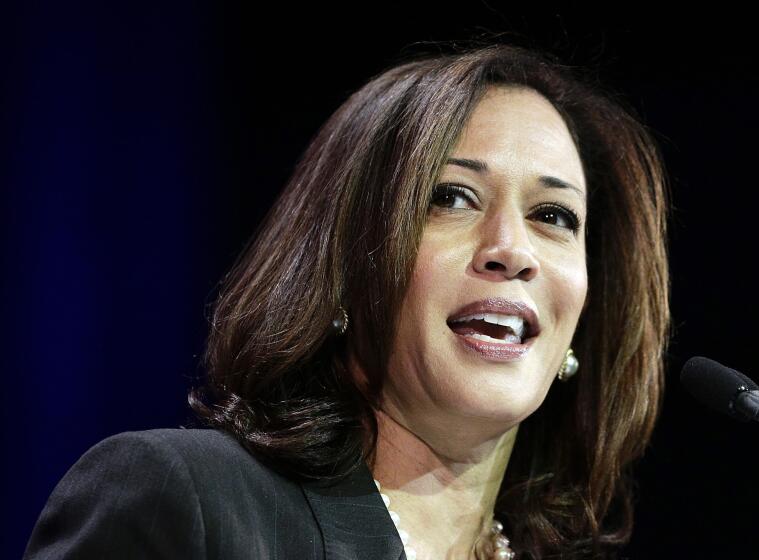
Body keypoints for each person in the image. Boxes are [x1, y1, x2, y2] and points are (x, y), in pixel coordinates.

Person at [23, 41, 670, 560]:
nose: (512, 249)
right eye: (449, 198)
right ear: (343, 266)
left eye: (554, 215)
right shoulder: (185, 504)